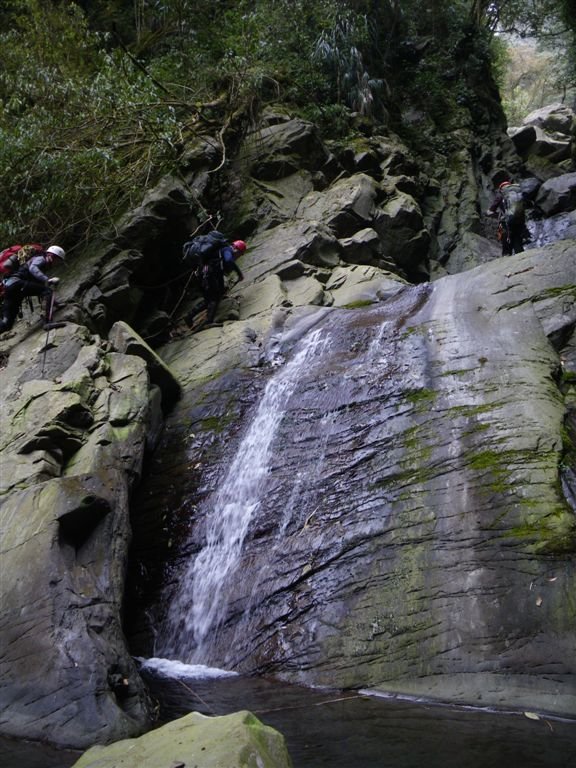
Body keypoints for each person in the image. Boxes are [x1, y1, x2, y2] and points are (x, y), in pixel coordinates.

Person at [0, 245, 65, 332]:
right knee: (48, 291)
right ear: (52, 256)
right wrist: (48, 280)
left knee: (6, 324)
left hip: (10, 287)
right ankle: (47, 322)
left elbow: (42, 290)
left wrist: (56, 304)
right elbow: (33, 268)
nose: (57, 264)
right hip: (17, 284)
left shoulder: (39, 265)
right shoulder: (41, 258)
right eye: (58, 261)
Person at [198, 238, 247, 325]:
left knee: (217, 294)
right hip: (209, 273)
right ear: (237, 250)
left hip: (210, 273)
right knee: (214, 297)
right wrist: (239, 274)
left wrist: (239, 275)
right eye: (240, 254)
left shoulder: (225, 250)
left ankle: (189, 317)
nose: (239, 256)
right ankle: (209, 322)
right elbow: (229, 260)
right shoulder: (228, 250)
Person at [487, 180, 527, 255]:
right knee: (518, 243)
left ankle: (507, 260)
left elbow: (489, 212)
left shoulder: (500, 195)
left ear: (501, 189)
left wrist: (499, 215)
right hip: (520, 221)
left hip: (506, 223)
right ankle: (521, 258)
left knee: (507, 245)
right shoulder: (518, 193)